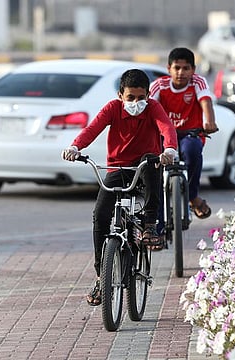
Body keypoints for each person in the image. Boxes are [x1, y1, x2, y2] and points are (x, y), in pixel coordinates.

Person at [62, 69, 178, 306]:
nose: (136, 103)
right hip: (117, 169)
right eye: (131, 98)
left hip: (144, 168)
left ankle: (149, 226)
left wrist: (169, 150)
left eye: (141, 98)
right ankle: (100, 274)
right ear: (120, 95)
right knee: (100, 215)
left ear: (147, 95)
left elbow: (166, 128)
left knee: (150, 161)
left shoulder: (154, 108)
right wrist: (75, 147)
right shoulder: (112, 109)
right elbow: (92, 129)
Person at [149, 47, 218, 221]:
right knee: (155, 169)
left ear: (193, 70)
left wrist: (209, 121)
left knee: (193, 151)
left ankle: (192, 196)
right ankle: (156, 226)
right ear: (168, 69)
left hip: (190, 133)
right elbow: (148, 106)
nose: (181, 73)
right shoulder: (160, 85)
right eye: (176, 68)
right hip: (165, 136)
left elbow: (206, 101)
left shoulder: (198, 82)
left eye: (186, 68)